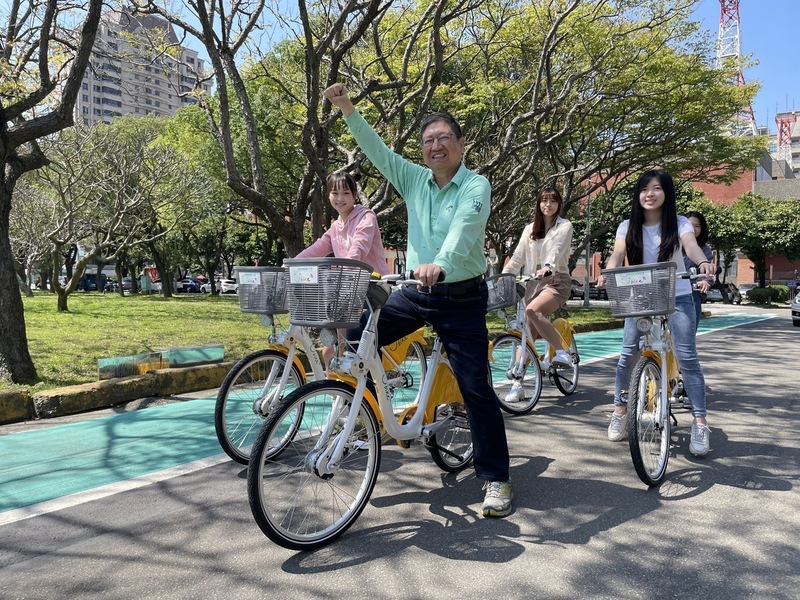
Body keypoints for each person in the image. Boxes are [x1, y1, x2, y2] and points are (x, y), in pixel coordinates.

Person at [324, 82, 513, 518]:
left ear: (461, 145)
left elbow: (463, 230)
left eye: (444, 138)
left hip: (462, 296)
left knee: (476, 388)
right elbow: (377, 151)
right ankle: (369, 417)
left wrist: (440, 263)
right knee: (356, 334)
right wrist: (348, 108)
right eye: (428, 141)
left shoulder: (475, 186)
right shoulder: (412, 178)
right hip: (416, 293)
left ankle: (497, 479)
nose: (435, 146)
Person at [597, 169, 715, 456]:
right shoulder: (627, 226)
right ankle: (620, 410)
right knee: (627, 354)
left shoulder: (680, 223)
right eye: (644, 189)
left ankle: (700, 423)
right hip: (640, 295)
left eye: (657, 188)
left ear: (667, 193)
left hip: (679, 295)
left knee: (687, 356)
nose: (650, 194)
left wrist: (702, 263)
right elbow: (616, 253)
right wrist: (609, 270)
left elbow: (691, 246)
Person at [296, 171, 389, 368]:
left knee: (357, 347)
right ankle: (336, 395)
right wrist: (293, 263)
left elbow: (359, 246)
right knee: (330, 348)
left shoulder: (366, 217)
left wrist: (348, 266)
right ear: (328, 196)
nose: (340, 198)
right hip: (347, 289)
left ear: (354, 195)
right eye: (334, 193)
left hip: (373, 287)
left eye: (346, 193)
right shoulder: (335, 226)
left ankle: (366, 390)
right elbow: (319, 247)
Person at [501, 187, 574, 402]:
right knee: (526, 333)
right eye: (544, 201)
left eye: (553, 201)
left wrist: (548, 267)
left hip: (556, 280)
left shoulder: (565, 225)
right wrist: (503, 276)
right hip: (532, 283)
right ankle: (518, 384)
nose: (548, 205)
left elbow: (557, 250)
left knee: (533, 310)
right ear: (538, 204)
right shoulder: (529, 229)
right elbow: (517, 259)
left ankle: (562, 352)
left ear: (559, 204)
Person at [683, 211, 714, 331]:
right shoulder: (671, 245)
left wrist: (704, 281)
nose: (694, 229)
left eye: (697, 226)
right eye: (690, 225)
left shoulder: (704, 250)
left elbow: (707, 271)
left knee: (688, 331)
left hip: (691, 290)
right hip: (668, 290)